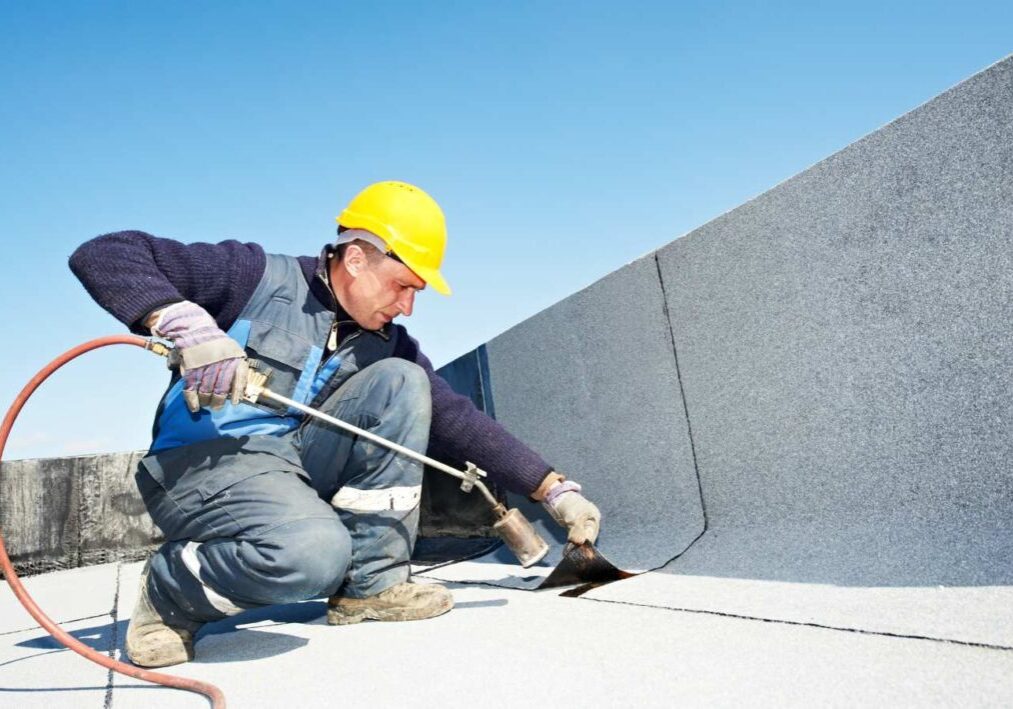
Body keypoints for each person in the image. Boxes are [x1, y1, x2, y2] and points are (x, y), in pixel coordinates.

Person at [69, 180, 602, 668]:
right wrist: (183, 322)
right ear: (355, 259)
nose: (408, 307)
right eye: (402, 286)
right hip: (203, 463)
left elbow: (458, 420)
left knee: (403, 382)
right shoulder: (253, 276)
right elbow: (104, 254)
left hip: (290, 464)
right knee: (312, 557)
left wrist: (553, 490)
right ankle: (170, 590)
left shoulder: (384, 341)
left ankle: (370, 586)